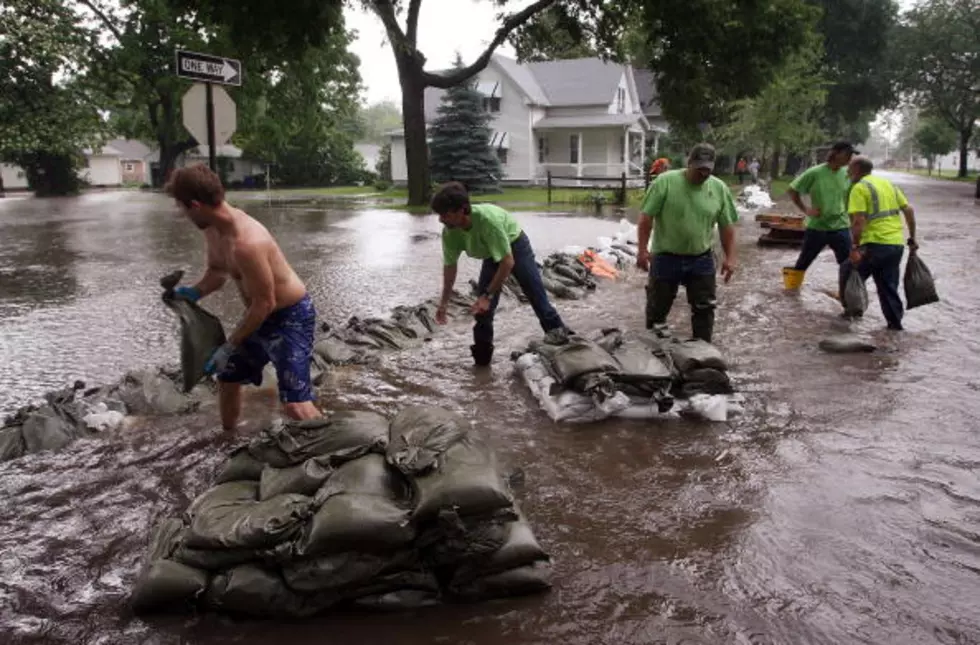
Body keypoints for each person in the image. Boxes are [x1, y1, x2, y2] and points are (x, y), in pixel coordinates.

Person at [164, 164, 321, 430]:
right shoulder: (212, 229)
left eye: (182, 208)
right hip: (259, 317)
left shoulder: (247, 243)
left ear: (195, 205)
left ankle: (332, 444)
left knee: (295, 404)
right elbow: (217, 271)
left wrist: (229, 346)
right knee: (228, 377)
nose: (182, 215)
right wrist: (194, 292)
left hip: (291, 317)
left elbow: (265, 302)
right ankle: (229, 440)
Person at [432, 182, 569, 366]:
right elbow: (450, 268)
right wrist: (443, 303)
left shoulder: (488, 221)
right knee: (482, 312)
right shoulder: (450, 232)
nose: (441, 219)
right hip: (492, 254)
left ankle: (566, 347)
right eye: (439, 215)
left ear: (463, 210)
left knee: (536, 297)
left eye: (446, 214)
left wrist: (488, 295)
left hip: (515, 246)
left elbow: (507, 261)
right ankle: (481, 364)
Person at [637, 143, 739, 343]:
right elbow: (646, 219)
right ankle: (655, 354)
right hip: (666, 257)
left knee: (705, 310)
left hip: (701, 257)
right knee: (657, 311)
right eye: (699, 169)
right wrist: (642, 250)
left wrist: (731, 259)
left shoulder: (719, 188)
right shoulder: (665, 182)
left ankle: (702, 355)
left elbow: (727, 227)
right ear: (689, 163)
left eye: (707, 170)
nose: (703, 174)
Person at [841, 156, 918, 331]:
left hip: (874, 244)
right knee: (888, 286)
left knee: (848, 270)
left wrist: (854, 247)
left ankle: (851, 312)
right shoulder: (887, 184)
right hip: (895, 245)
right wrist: (912, 238)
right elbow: (909, 210)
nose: (847, 172)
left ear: (858, 169)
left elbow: (858, 221)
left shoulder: (859, 188)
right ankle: (895, 326)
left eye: (850, 168)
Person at [786, 141, 858, 297]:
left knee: (847, 263)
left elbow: (852, 198)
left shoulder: (847, 174)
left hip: (841, 226)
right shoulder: (815, 172)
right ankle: (791, 292)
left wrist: (854, 222)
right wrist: (806, 209)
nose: (850, 158)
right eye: (848, 154)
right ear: (836, 153)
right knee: (803, 262)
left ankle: (846, 295)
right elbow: (792, 190)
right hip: (817, 227)